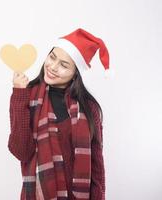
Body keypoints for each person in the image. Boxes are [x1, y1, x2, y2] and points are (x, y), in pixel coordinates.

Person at [8, 28, 109, 200]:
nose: (53, 67)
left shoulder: (89, 108)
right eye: (52, 57)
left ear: (76, 72)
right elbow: (21, 152)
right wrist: (18, 95)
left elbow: (97, 166)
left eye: (64, 65)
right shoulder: (26, 96)